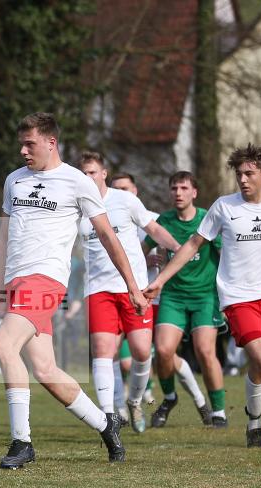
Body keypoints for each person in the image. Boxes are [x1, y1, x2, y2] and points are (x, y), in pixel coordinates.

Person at [145, 143, 261, 449]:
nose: (242, 180)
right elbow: (192, 245)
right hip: (238, 297)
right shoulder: (223, 207)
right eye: (238, 174)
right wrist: (161, 280)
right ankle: (254, 423)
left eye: (248, 173)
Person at [0, 112, 149, 468]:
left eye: (29, 143)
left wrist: (133, 287)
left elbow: (109, 236)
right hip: (16, 282)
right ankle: (105, 425)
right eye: (21, 143)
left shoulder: (77, 181)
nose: (23, 151)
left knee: (2, 345)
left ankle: (22, 442)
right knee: (45, 370)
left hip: (46, 278)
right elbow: (3, 235)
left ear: (51, 142)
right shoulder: (14, 180)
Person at [79, 151, 180, 433]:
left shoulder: (124, 200)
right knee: (103, 350)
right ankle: (109, 416)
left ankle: (134, 401)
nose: (87, 178)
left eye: (92, 172)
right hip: (98, 288)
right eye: (83, 173)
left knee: (140, 351)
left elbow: (154, 229)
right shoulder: (75, 208)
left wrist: (180, 251)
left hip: (134, 288)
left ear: (103, 174)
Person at [144, 171, 227, 428]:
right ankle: (169, 398)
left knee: (204, 351)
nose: (178, 193)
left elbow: (227, 256)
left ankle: (219, 412)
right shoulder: (164, 221)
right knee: (164, 351)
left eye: (183, 188)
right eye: (174, 188)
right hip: (173, 296)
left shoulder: (207, 220)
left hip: (205, 296)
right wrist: (147, 259)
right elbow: (142, 250)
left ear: (194, 193)